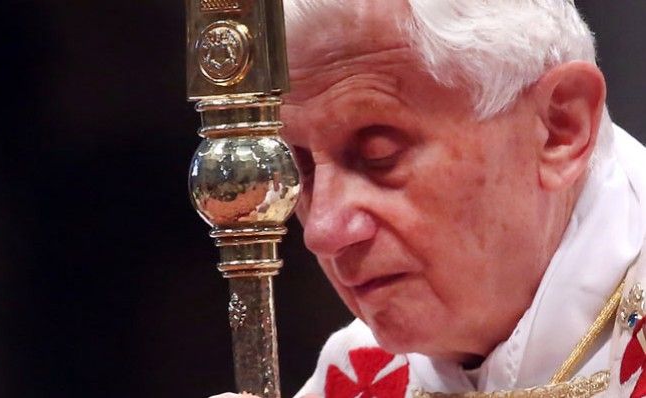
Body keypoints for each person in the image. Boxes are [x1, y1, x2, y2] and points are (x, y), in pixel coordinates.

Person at [216, 0, 646, 396]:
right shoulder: (359, 374)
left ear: (558, 128)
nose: (323, 230)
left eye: (379, 155)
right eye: (301, 168)